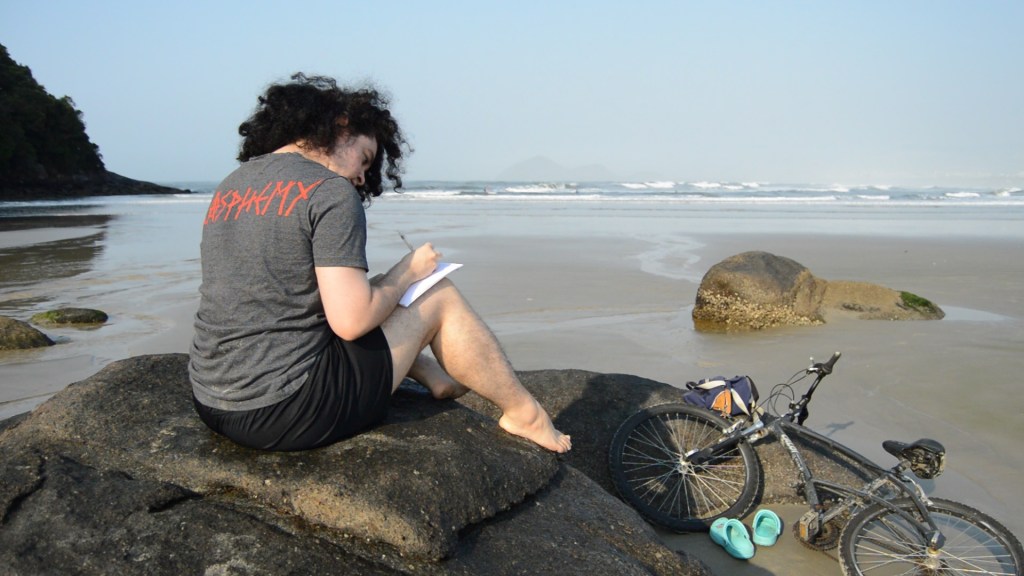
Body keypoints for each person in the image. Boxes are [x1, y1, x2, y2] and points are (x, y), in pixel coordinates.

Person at [189, 73, 570, 454]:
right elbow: (351, 322)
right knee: (438, 294)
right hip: (286, 410)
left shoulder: (233, 183)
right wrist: (409, 270)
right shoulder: (329, 192)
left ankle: (430, 374)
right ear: (341, 125)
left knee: (346, 295)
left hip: (212, 399)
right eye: (365, 159)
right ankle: (525, 414)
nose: (361, 177)